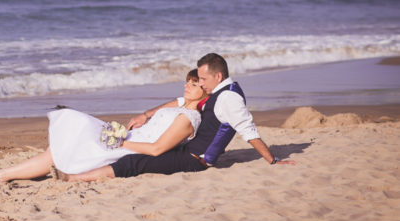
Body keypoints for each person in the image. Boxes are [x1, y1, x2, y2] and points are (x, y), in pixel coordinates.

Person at [63, 52, 295, 181]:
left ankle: (73, 179)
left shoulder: (229, 98)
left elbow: (248, 131)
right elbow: (183, 101)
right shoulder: (217, 91)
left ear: (218, 75)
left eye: (203, 79)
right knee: (139, 152)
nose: (200, 84)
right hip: (189, 149)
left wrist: (272, 160)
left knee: (135, 162)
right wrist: (147, 114)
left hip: (196, 160)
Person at [0, 70, 207, 181]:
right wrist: (143, 116)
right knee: (73, 129)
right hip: (128, 137)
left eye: (194, 84)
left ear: (205, 90)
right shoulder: (180, 104)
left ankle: (3, 174)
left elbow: (156, 149)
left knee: (67, 144)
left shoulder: (189, 118)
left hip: (130, 146)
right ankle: (6, 173)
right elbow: (160, 110)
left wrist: (123, 143)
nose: (187, 86)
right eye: (187, 81)